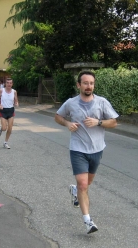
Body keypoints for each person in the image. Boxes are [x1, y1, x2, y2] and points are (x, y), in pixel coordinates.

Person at [54, 70, 119, 234]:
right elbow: (58, 116)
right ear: (79, 85)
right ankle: (88, 221)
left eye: (91, 83)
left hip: (96, 149)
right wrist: (67, 124)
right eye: (85, 83)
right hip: (78, 149)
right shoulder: (71, 103)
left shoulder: (102, 102)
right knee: (83, 184)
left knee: (87, 183)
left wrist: (98, 122)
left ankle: (75, 191)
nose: (88, 86)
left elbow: (113, 123)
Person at [0, 77, 19, 149]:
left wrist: (16, 103)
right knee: (4, 128)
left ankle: (5, 142)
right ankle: (1, 128)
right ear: (5, 83)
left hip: (11, 110)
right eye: (7, 83)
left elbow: (16, 100)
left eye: (10, 83)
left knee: (10, 128)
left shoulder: (14, 92)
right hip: (3, 110)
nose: (9, 84)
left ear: (12, 84)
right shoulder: (1, 91)